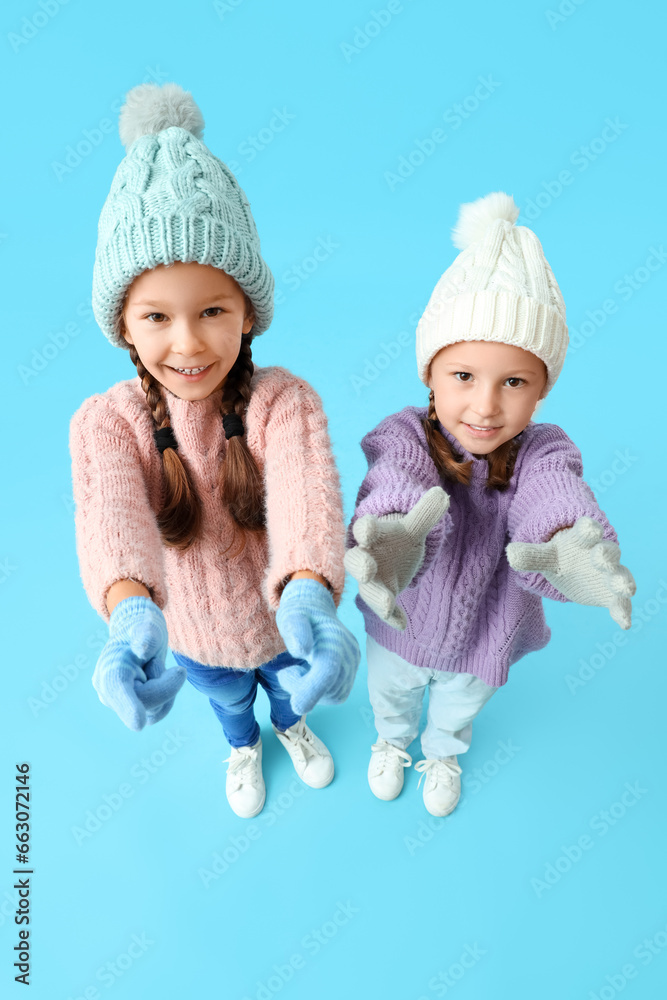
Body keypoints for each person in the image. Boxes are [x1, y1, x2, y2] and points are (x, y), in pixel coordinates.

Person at [69, 82, 359, 819]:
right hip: (193, 635)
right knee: (229, 703)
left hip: (282, 623)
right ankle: (242, 745)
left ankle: (290, 729)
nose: (188, 342)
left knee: (290, 694)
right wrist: (130, 612)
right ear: (124, 325)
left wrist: (306, 589)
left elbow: (304, 493)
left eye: (212, 311)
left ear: (247, 312)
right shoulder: (109, 422)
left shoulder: (281, 401)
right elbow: (112, 517)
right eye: (157, 316)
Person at [344, 191, 635, 818]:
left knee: (459, 705)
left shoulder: (541, 450)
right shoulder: (406, 433)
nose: (484, 406)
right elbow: (397, 474)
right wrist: (394, 533)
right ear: (430, 373)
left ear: (540, 392)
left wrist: (564, 545)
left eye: (513, 382)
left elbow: (553, 493)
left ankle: (442, 753)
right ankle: (392, 742)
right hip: (405, 616)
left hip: (484, 626)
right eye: (464, 377)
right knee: (390, 693)